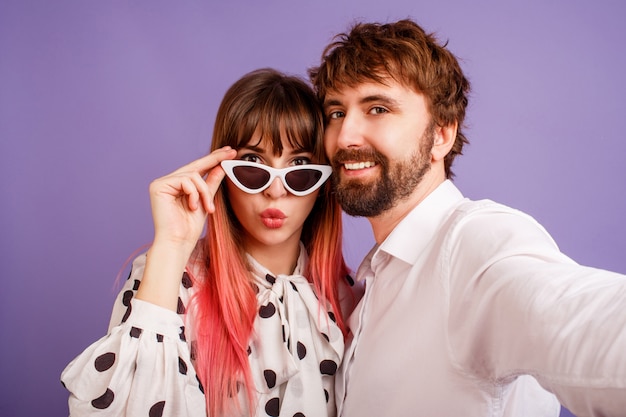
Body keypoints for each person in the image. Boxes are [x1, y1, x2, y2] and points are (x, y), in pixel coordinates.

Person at [308, 19, 626, 417]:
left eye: (378, 108)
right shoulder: (373, 279)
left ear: (441, 135)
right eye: (336, 112)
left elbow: (593, 324)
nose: (346, 137)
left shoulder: (476, 245)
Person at [61, 68, 361, 417]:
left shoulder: (345, 294)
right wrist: (172, 244)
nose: (275, 190)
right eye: (252, 163)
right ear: (222, 170)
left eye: (300, 166)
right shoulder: (171, 277)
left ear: (324, 183)